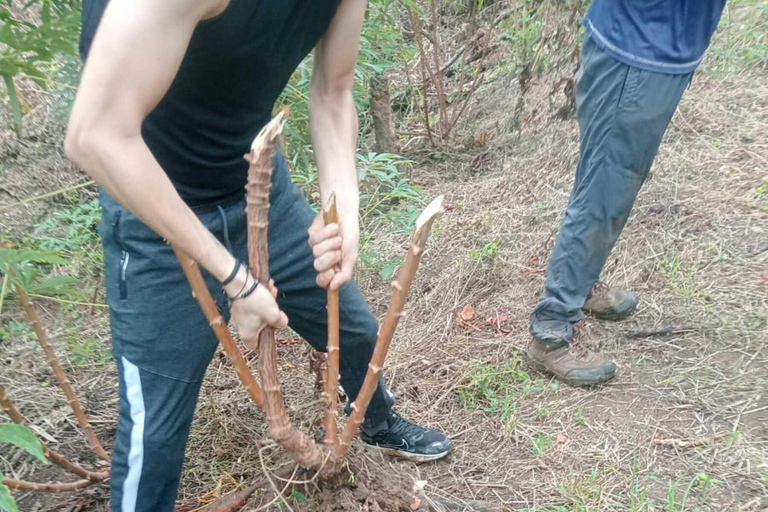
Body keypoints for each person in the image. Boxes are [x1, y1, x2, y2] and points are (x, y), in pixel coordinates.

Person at [66, 1, 452, 510]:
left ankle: (377, 422)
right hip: (155, 213)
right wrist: (237, 281)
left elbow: (334, 91)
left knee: (355, 329)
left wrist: (344, 214)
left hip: (258, 187)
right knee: (153, 432)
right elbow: (94, 135)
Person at [527, 0, 727, 387]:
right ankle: (550, 333)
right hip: (637, 46)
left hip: (659, 48)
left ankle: (580, 287)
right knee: (603, 192)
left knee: (613, 185)